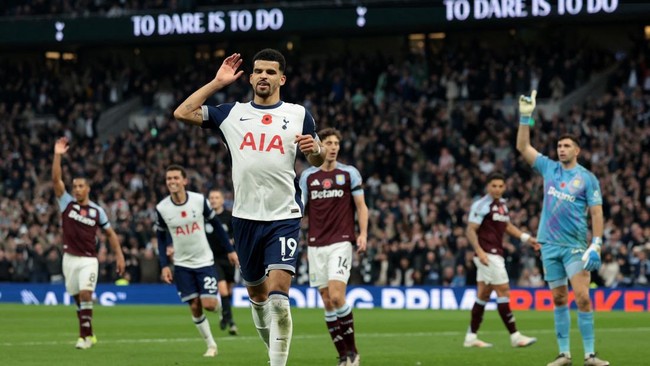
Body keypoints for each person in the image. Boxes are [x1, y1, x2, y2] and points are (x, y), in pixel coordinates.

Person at [173, 49, 325, 366]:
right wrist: (217, 82)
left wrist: (316, 150)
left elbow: (317, 158)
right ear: (251, 76)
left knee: (279, 301)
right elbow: (183, 112)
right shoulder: (233, 113)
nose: (264, 77)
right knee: (257, 298)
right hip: (244, 220)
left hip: (284, 217)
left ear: (281, 78)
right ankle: (273, 351)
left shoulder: (298, 114)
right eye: (259, 71)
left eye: (271, 72)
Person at [516, 90, 609, 366]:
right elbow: (523, 147)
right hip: (549, 244)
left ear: (577, 151)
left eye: (567, 146)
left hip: (575, 246)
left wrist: (597, 243)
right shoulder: (548, 168)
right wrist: (525, 117)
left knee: (582, 297)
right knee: (558, 298)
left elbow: (596, 211)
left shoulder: (587, 178)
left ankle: (590, 354)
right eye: (559, 145)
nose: (561, 149)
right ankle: (564, 354)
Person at [298, 128, 368, 366]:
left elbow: (361, 207)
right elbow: (300, 208)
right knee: (327, 301)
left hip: (341, 241)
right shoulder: (308, 177)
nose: (333, 147)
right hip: (316, 244)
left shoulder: (349, 174)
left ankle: (354, 351)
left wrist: (364, 234)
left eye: (336, 143)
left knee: (338, 297)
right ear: (320, 145)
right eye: (328, 142)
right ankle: (343, 356)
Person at [51, 137, 125, 350]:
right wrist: (57, 155)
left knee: (85, 294)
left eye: (80, 186)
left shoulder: (97, 211)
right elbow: (56, 181)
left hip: (88, 260)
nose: (76, 189)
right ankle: (89, 333)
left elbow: (110, 234)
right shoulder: (67, 204)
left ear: (88, 188)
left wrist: (119, 256)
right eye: (74, 186)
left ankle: (83, 338)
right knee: (77, 299)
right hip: (69, 259)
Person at [154, 165, 235, 357]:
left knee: (209, 304)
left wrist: (230, 250)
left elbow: (217, 226)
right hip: (182, 264)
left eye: (175, 178)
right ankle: (211, 345)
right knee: (194, 306)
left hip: (204, 261)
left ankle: (221, 307)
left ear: (184, 181)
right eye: (168, 179)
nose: (172, 182)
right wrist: (165, 264)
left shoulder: (199, 201)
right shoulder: (162, 208)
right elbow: (161, 237)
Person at [463, 172, 539, 349]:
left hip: (494, 253)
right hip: (488, 255)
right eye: (493, 186)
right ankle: (515, 336)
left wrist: (527, 238)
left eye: (500, 186)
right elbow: (470, 230)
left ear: (504, 187)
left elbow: (507, 226)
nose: (497, 189)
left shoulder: (502, 205)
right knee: (504, 290)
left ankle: (471, 337)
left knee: (483, 295)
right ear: (488, 187)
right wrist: (479, 252)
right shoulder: (481, 205)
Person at [207, 188, 240, 335]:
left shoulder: (229, 216)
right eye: (211, 198)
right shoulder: (205, 217)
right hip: (212, 258)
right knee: (222, 289)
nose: (213, 200)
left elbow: (237, 235)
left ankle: (226, 316)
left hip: (228, 257)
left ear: (222, 200)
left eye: (216, 197)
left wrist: (232, 242)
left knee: (228, 289)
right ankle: (230, 320)